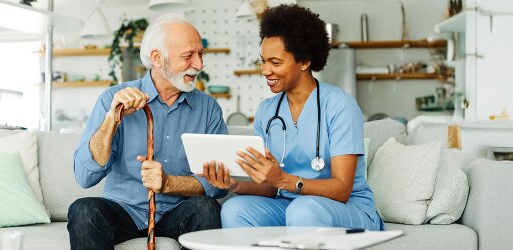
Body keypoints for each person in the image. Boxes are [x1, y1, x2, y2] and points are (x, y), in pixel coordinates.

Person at [202, 4, 384, 231]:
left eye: (275, 62)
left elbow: (342, 189)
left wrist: (283, 180)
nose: (265, 71)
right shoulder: (267, 111)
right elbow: (269, 188)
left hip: (346, 207)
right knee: (234, 209)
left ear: (305, 61)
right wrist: (234, 184)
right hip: (291, 204)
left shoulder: (339, 105)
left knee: (304, 210)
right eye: (263, 61)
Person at [68, 13, 228, 250]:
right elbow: (84, 177)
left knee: (206, 208)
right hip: (125, 211)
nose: (199, 65)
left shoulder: (208, 108)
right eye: (188, 56)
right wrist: (112, 120)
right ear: (157, 58)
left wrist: (168, 183)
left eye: (200, 54)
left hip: (177, 213)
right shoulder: (112, 98)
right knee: (84, 211)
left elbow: (219, 184)